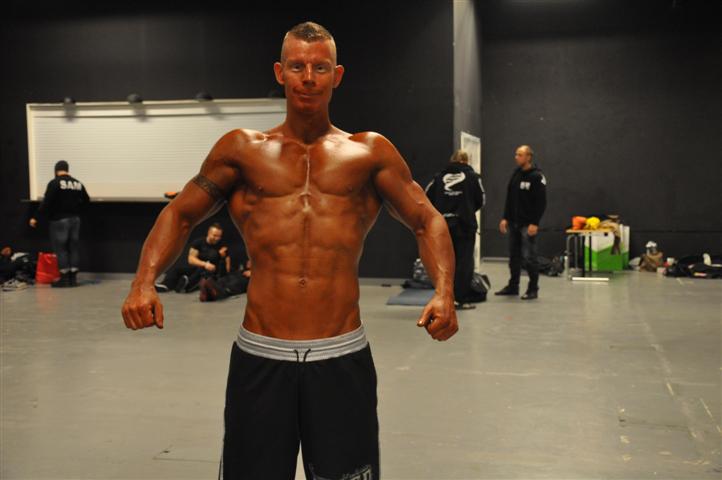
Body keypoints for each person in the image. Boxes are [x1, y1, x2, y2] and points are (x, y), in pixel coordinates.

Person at [121, 21, 458, 480]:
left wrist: (444, 291)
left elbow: (427, 219)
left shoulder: (369, 153)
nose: (308, 78)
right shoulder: (241, 150)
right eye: (297, 66)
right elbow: (180, 213)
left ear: (337, 75)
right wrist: (143, 282)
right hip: (261, 356)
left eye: (320, 67)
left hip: (340, 356)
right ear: (280, 72)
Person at [425, 149, 485, 307]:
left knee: (443, 263)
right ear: (466, 161)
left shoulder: (438, 177)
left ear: (452, 160)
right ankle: (461, 299)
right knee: (464, 262)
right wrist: (467, 210)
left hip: (443, 225)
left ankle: (443, 297)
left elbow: (426, 197)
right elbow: (480, 200)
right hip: (465, 226)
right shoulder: (473, 177)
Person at [496, 145, 547, 300]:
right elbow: (509, 198)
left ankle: (533, 289)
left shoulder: (537, 177)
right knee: (514, 257)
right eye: (516, 154)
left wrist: (535, 223)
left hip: (528, 224)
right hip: (514, 223)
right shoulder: (516, 174)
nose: (516, 157)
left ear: (528, 157)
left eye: (519, 155)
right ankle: (513, 286)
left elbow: (541, 202)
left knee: (530, 257)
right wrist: (505, 217)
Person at [29, 160, 90, 288]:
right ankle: (73, 279)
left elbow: (47, 202)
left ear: (56, 170)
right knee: (73, 248)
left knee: (61, 249)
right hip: (75, 219)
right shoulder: (77, 183)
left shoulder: (55, 183)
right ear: (67, 169)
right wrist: (75, 209)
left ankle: (64, 279)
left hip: (59, 220)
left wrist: (35, 217)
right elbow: (86, 200)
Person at [154, 223, 229, 293]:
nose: (217, 238)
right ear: (209, 233)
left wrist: (222, 259)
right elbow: (191, 259)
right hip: (198, 267)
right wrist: (205, 264)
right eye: (215, 235)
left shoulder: (222, 246)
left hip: (211, 273)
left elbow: (227, 268)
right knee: (177, 270)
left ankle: (187, 285)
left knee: (202, 271)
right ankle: (166, 285)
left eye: (219, 236)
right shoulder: (198, 243)